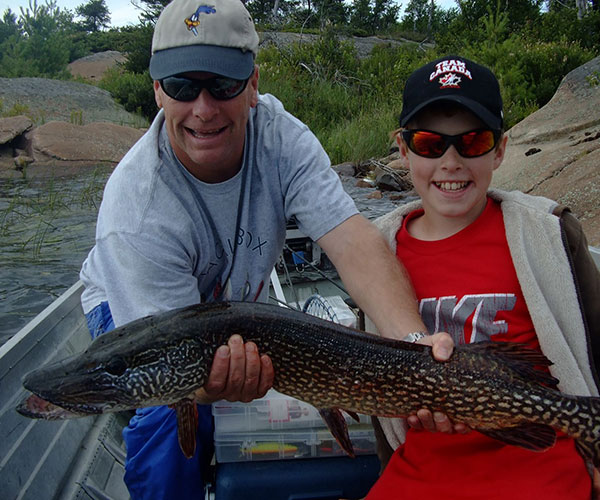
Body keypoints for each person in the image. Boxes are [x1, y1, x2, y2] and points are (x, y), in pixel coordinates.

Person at [78, 1, 459, 498]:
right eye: (182, 87)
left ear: (253, 84)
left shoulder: (282, 138)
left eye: (223, 84)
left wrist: (413, 343)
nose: (203, 108)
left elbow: (352, 242)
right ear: (157, 91)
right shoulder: (135, 211)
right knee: (169, 420)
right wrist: (209, 390)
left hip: (233, 306)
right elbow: (173, 353)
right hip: (132, 311)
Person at [364, 55, 600, 499]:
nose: (451, 161)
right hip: (420, 473)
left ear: (500, 149)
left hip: (539, 467)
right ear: (403, 148)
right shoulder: (377, 251)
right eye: (430, 144)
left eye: (471, 142)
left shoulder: (545, 233)